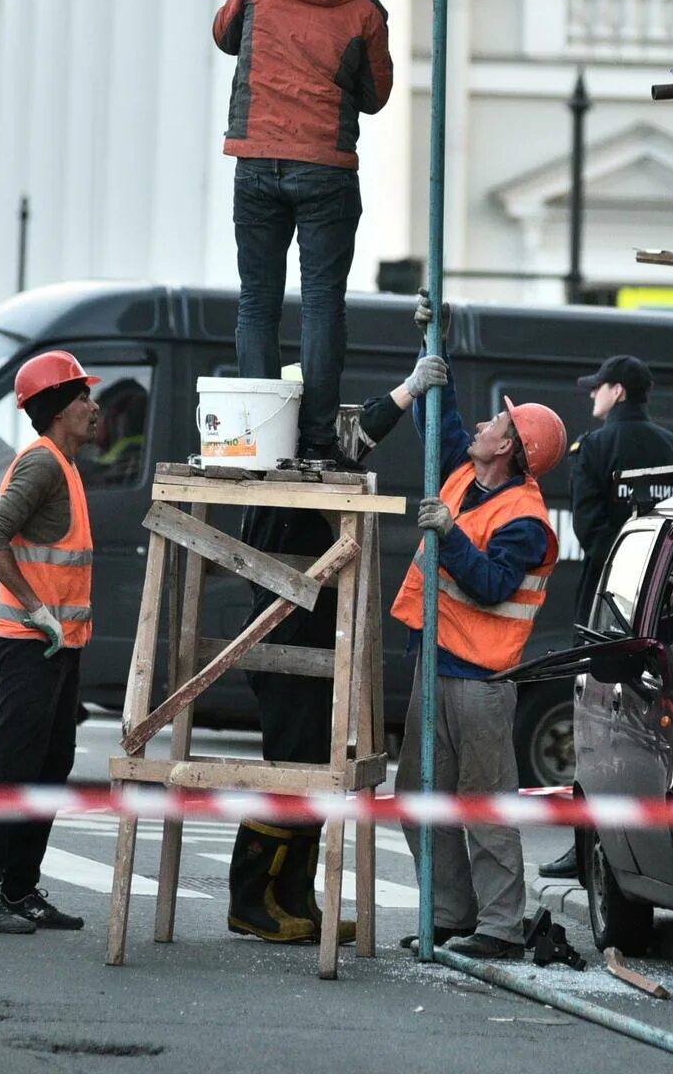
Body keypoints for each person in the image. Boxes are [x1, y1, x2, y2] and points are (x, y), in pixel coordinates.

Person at [226, 362, 439, 944]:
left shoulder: (298, 462)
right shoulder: (289, 462)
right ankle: (251, 900)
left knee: (313, 774)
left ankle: (292, 898)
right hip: (285, 638)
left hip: (311, 635)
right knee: (292, 773)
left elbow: (350, 438)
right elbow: (357, 435)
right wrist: (408, 388)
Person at [389, 294, 568, 960]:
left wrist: (450, 537)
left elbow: (492, 586)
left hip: (481, 681)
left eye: (499, 423)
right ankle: (451, 915)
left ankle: (496, 928)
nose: (486, 424)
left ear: (512, 449)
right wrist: (434, 339)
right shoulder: (468, 474)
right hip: (436, 665)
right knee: (421, 796)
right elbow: (443, 412)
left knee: (482, 803)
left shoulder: (525, 515)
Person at [213, 0, 396, 463]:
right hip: (325, 173)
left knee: (256, 304)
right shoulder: (365, 11)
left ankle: (259, 435)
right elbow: (376, 96)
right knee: (321, 304)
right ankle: (316, 437)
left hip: (256, 162)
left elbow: (223, 34)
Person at [0, 350, 103, 934]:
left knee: (50, 763)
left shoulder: (64, 464)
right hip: (27, 641)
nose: (94, 408)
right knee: (14, 765)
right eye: (84, 398)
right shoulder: (42, 464)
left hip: (58, 644)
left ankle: (19, 890)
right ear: (59, 409)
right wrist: (37, 609)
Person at [538, 355, 673, 880]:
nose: (591, 397)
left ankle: (590, 846)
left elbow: (589, 532)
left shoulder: (595, 448)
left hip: (612, 609)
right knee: (665, 730)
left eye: (597, 389)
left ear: (619, 393)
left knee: (596, 728)